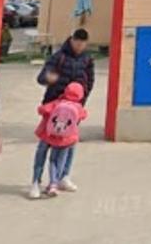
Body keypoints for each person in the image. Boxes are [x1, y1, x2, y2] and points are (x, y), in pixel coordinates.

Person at [35, 28, 94, 192]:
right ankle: (37, 179)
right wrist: (48, 78)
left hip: (73, 110)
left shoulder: (87, 59)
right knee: (45, 143)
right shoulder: (59, 56)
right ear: (72, 40)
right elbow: (41, 77)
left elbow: (90, 81)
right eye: (77, 42)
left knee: (70, 143)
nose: (80, 46)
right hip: (53, 108)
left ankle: (63, 177)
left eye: (83, 44)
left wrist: (82, 101)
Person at [30, 81, 88, 198]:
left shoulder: (57, 103)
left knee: (40, 156)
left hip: (47, 133)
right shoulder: (78, 107)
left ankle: (36, 182)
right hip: (65, 138)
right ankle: (54, 183)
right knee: (57, 161)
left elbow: (41, 110)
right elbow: (84, 115)